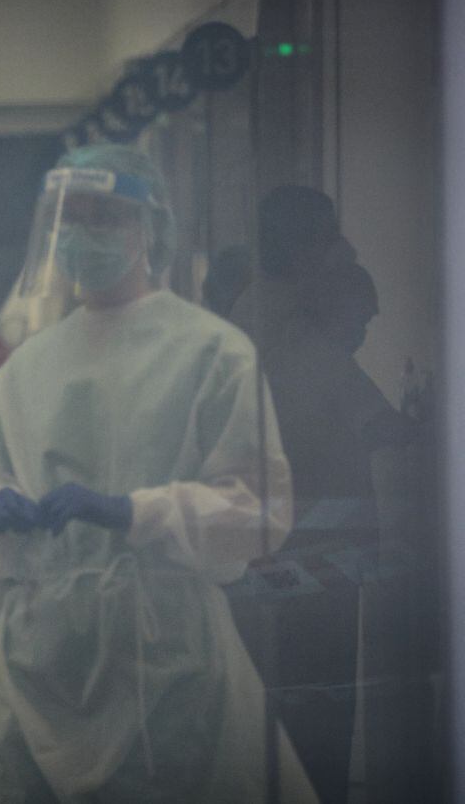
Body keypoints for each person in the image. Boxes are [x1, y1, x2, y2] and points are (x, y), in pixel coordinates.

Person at [0, 142, 315, 803]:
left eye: (104, 216)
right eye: (70, 218)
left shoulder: (213, 351)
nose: (80, 235)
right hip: (40, 652)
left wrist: (128, 512)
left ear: (150, 229)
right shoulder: (25, 368)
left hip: (167, 650)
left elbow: (259, 510)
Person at [227, 186, 397, 804]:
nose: (341, 248)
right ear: (303, 246)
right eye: (329, 237)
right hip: (311, 549)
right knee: (316, 708)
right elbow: (370, 421)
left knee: (291, 706)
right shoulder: (293, 325)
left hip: (287, 543)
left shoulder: (259, 311)